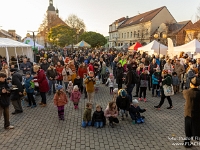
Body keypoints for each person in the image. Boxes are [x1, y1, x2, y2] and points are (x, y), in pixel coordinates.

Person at [183, 77, 200, 148]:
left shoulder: (186, 92)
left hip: (188, 113)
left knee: (188, 128)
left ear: (191, 84)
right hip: (197, 114)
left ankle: (187, 142)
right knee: (197, 127)